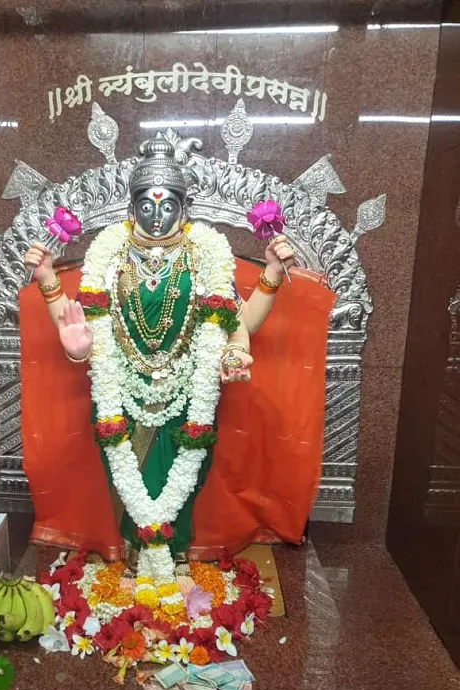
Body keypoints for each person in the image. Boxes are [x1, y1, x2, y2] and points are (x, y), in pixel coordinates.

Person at [22, 134, 300, 612]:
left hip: (188, 389)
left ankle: (174, 555)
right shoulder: (110, 257)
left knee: (184, 475)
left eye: (167, 205)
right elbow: (79, 324)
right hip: (122, 388)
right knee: (126, 474)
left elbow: (236, 323)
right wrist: (50, 285)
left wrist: (271, 275)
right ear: (131, 208)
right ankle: (136, 556)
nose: (156, 215)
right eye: (146, 205)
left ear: (183, 208)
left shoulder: (203, 255)